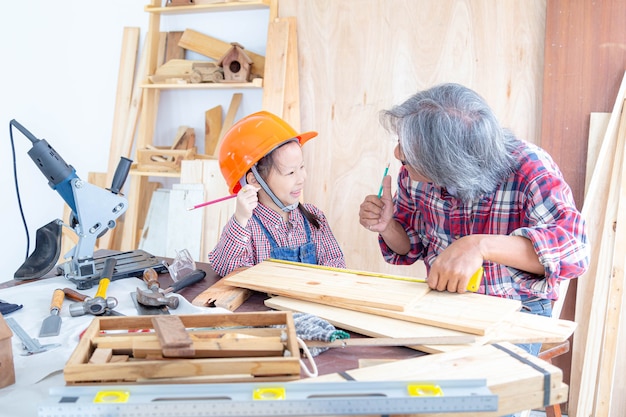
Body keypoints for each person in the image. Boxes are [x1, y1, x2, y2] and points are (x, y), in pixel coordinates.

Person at [359, 83, 589, 356]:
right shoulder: (413, 174)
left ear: (446, 160)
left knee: (482, 386)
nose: (398, 153)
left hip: (516, 308)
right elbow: (410, 246)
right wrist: (388, 227)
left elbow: (573, 252)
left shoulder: (529, 166)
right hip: (444, 302)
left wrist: (479, 246)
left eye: (407, 147)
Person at [209, 110, 346, 277]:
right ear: (255, 180)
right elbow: (226, 269)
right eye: (290, 173)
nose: (302, 178)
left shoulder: (314, 218)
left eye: (301, 167)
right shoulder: (248, 227)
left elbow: (337, 267)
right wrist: (240, 219)